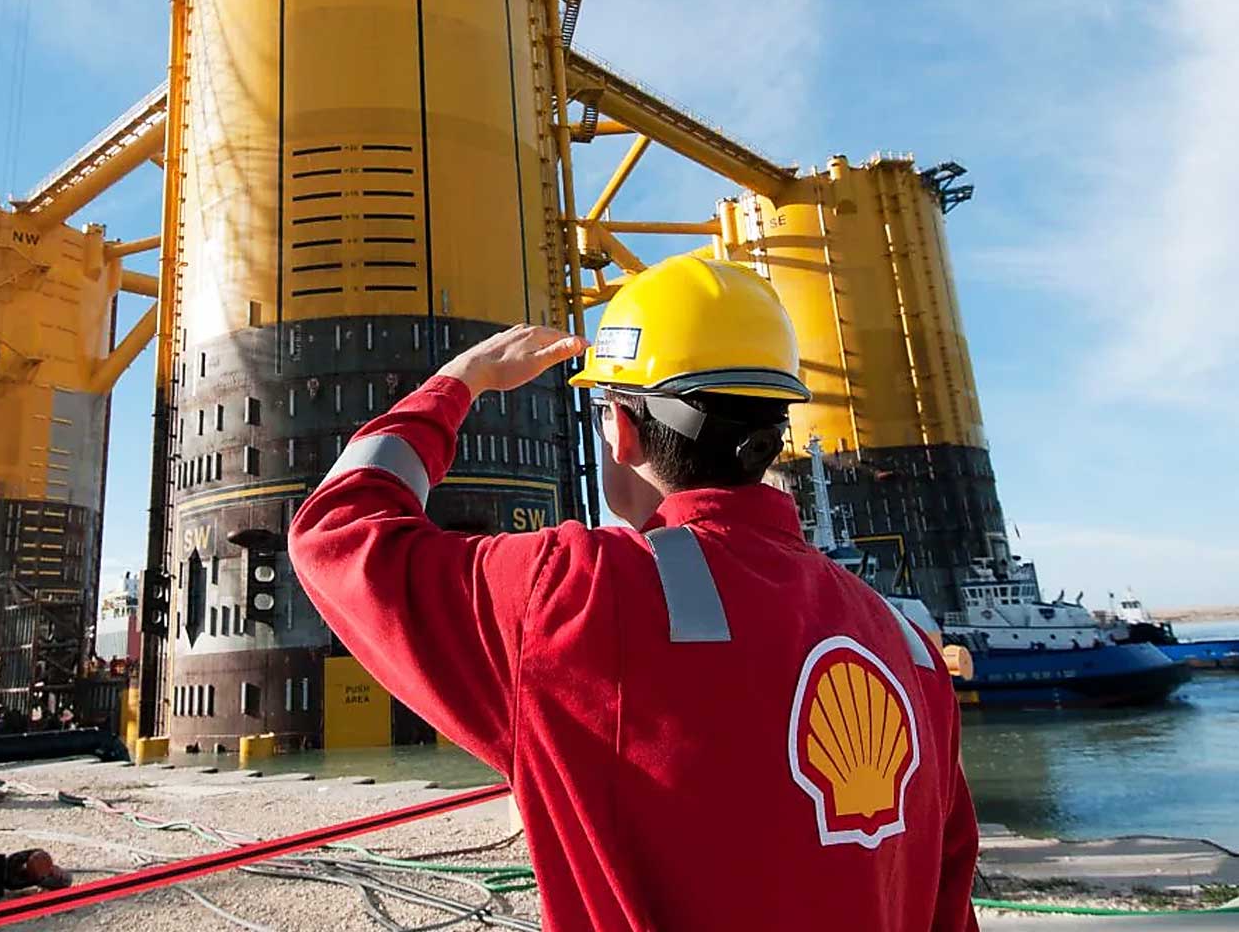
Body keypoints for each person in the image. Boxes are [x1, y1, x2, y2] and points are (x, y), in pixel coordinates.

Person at [289, 254, 979, 931]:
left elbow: (337, 533)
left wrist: (455, 381)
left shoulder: (580, 594)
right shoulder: (912, 652)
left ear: (620, 429)